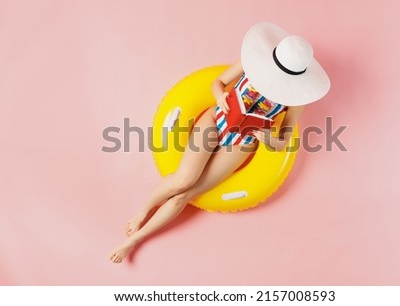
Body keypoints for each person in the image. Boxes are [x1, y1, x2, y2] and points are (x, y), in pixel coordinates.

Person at [109, 22, 331, 263]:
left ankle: (133, 240)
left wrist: (270, 140)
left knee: (184, 196)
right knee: (185, 179)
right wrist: (221, 97)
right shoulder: (251, 63)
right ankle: (143, 210)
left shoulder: (295, 99)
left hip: (242, 142)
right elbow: (218, 83)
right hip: (216, 119)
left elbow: (285, 139)